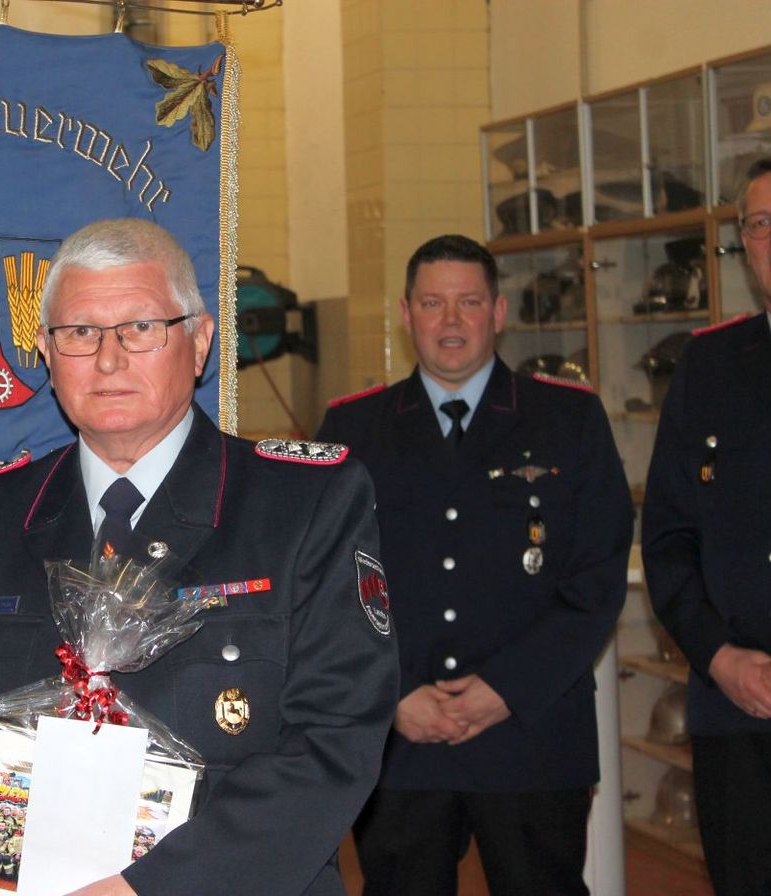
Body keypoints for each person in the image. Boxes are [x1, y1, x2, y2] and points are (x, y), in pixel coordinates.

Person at [0, 218, 399, 895]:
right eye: (80, 332)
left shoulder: (304, 506)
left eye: (141, 327)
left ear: (200, 342)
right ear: (45, 351)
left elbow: (335, 741)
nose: (108, 360)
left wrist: (145, 890)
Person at [316, 234, 632, 896]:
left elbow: (596, 578)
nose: (451, 321)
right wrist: (394, 693)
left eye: (469, 302)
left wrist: (506, 689)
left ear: (499, 312)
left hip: (532, 732)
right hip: (401, 739)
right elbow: (327, 584)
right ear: (406, 315)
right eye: (433, 303)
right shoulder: (354, 430)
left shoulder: (568, 420)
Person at [641, 158, 771, 895]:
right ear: (744, 245)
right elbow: (668, 538)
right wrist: (719, 657)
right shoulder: (710, 365)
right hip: (735, 708)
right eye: (760, 224)